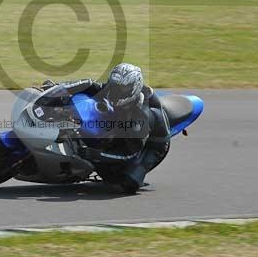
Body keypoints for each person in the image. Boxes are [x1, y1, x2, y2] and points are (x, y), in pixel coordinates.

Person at [37, 63, 171, 193]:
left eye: (121, 89)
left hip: (153, 144)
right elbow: (89, 86)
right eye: (113, 87)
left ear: (133, 89)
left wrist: (94, 154)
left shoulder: (140, 116)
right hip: (122, 119)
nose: (115, 92)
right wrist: (57, 89)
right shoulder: (113, 89)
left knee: (126, 183)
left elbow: (129, 153)